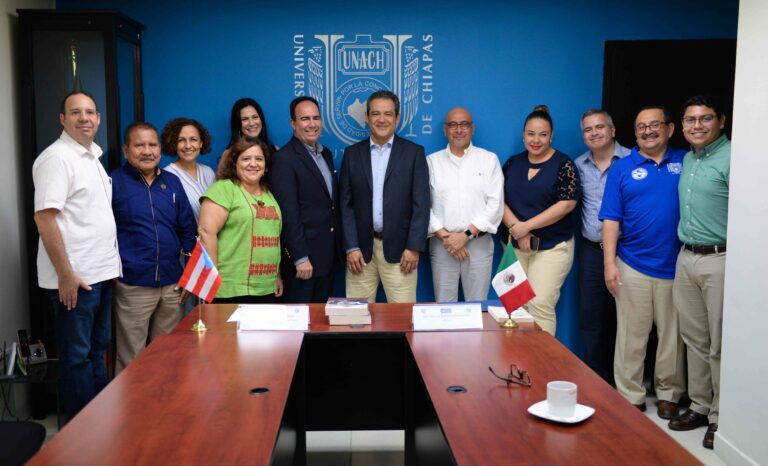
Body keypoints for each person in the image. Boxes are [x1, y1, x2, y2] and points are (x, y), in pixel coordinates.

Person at [32, 91, 121, 421]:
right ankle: (80, 439)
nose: (84, 118)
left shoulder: (91, 157)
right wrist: (65, 274)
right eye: (75, 112)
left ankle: (98, 428)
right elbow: (44, 217)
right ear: (62, 119)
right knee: (77, 358)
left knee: (96, 353)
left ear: (98, 119)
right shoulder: (56, 159)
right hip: (76, 280)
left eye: (90, 112)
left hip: (99, 275)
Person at [599, 106, 686, 419]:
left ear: (670, 129)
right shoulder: (622, 168)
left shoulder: (686, 162)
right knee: (630, 336)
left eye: (655, 125)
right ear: (634, 134)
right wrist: (609, 264)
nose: (648, 131)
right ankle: (630, 394)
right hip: (632, 264)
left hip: (678, 266)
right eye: (641, 127)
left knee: (672, 337)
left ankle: (669, 394)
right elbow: (610, 218)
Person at [667, 96, 730, 449]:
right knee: (694, 338)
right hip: (686, 256)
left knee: (719, 341)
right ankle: (701, 405)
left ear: (721, 120)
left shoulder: (734, 157)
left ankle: (721, 417)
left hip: (720, 259)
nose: (697, 126)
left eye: (705, 119)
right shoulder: (689, 158)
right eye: (690, 120)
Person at [111, 122, 197, 374]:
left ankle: (165, 411)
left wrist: (190, 276)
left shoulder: (172, 182)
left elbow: (187, 230)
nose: (147, 151)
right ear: (127, 150)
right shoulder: (113, 182)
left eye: (152, 145)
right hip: (133, 285)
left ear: (160, 148)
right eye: (139, 145)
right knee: (131, 359)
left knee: (168, 357)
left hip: (172, 286)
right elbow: (103, 232)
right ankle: (130, 413)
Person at [339, 90, 429, 303]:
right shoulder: (352, 154)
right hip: (360, 253)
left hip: (401, 253)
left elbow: (421, 204)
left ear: (397, 118)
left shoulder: (414, 153)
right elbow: (345, 204)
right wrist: (351, 247)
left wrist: (414, 247)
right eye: (376, 113)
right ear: (367, 117)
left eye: (388, 114)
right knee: (356, 320)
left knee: (404, 319)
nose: (381, 119)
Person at [501, 105, 579, 335]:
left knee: (540, 305)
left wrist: (528, 227)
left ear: (551, 136)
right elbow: (498, 200)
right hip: (514, 247)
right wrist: (518, 229)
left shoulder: (564, 165)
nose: (536, 140)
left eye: (543, 135)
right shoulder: (513, 163)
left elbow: (566, 204)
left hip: (552, 248)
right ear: (523, 135)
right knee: (514, 308)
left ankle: (542, 369)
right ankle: (516, 366)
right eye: (531, 134)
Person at [574, 109, 631, 385]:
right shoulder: (578, 165)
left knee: (631, 319)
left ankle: (629, 381)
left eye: (599, 127)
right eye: (588, 129)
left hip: (629, 251)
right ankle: (598, 380)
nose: (594, 133)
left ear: (613, 130)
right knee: (592, 317)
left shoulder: (634, 160)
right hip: (592, 250)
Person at [427, 107, 503, 302]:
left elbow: (495, 204)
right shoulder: (431, 162)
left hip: (478, 244)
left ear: (472, 128)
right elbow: (423, 205)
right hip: (443, 245)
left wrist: (465, 235)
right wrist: (448, 237)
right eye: (452, 125)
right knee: (443, 307)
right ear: (445, 130)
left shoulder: (489, 160)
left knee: (477, 307)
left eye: (464, 124)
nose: (458, 129)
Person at [270, 96, 341, 303]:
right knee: (300, 325)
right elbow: (289, 213)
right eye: (305, 119)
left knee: (320, 325)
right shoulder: (284, 159)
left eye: (316, 118)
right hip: (303, 263)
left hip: (327, 258)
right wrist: (300, 257)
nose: (312, 124)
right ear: (293, 123)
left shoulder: (325, 153)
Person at [199, 137, 283, 303]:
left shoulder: (268, 194)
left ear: (265, 166)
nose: (253, 164)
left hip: (266, 287)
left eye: (259, 159)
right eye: (246, 158)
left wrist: (277, 275)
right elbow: (206, 234)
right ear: (234, 163)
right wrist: (212, 278)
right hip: (229, 288)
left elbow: (273, 236)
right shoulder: (223, 189)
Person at [161, 117, 216, 222]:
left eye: (193, 139)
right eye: (181, 140)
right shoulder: (166, 175)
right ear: (173, 144)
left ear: (201, 143)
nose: (188, 145)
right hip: (185, 237)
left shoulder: (208, 172)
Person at [217, 98, 276, 176]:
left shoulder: (275, 151)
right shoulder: (228, 154)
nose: (251, 123)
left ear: (261, 120)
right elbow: (221, 185)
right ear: (237, 124)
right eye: (245, 119)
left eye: (255, 117)